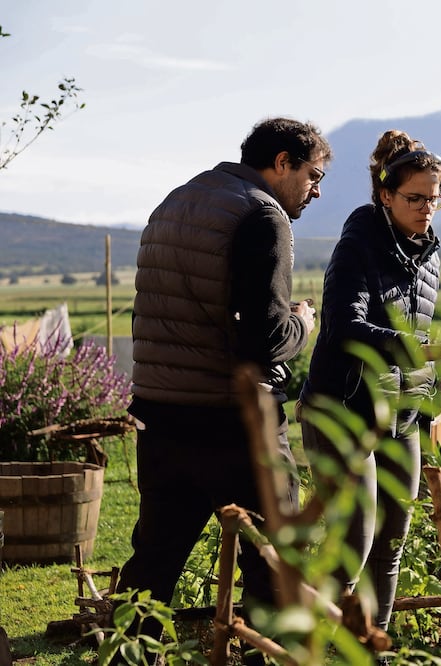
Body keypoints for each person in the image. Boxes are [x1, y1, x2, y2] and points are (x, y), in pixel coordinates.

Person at [117, 117, 329, 661]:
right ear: (282, 162)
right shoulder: (261, 213)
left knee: (154, 561)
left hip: (162, 414)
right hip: (234, 422)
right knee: (273, 558)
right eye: (313, 174)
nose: (317, 189)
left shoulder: (174, 203)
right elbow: (263, 338)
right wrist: (304, 321)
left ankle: (126, 655)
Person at [298, 130, 441, 631]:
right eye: (415, 198)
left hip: (401, 414)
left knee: (392, 540)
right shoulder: (359, 240)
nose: (427, 208)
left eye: (435, 199)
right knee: (354, 540)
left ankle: (372, 647)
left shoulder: (429, 252)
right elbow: (344, 327)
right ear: (385, 196)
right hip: (343, 409)